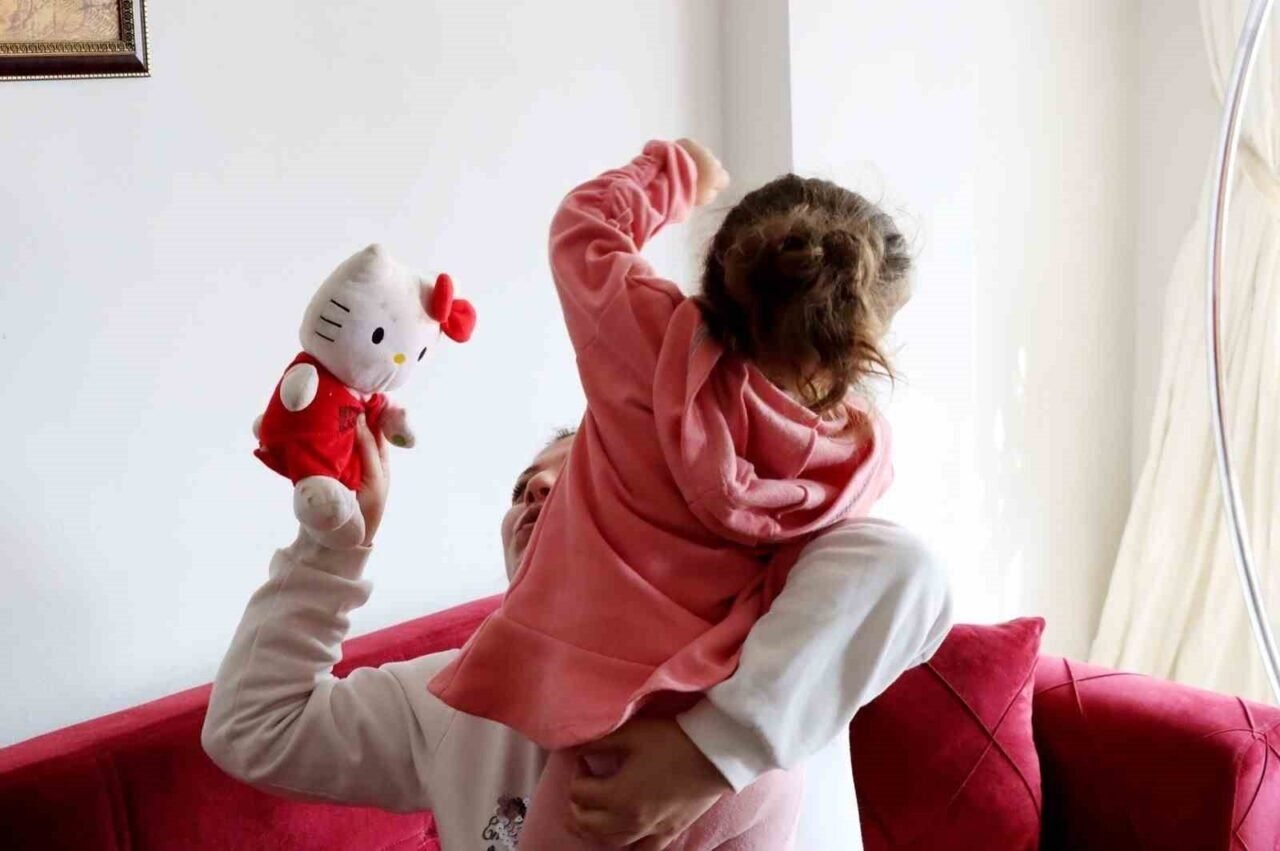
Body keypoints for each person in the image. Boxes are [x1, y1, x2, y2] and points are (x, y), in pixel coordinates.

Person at [429, 139, 916, 849]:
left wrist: (677, 173)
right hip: (743, 765)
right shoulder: (857, 454)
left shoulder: (649, 344)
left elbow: (582, 227)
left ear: (718, 274)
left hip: (611, 751)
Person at [203, 418, 952, 850]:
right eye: (523, 486)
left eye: (579, 478)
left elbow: (905, 569)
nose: (534, 489)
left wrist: (706, 755)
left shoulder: (747, 650)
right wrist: (333, 547)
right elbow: (253, 729)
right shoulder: (452, 695)